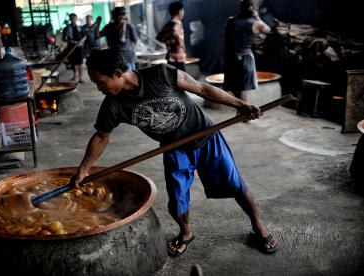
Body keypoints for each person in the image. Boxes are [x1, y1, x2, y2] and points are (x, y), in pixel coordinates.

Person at [71, 48, 279, 257]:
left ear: (117, 73)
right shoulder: (112, 105)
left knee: (235, 184)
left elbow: (202, 89)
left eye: (100, 82)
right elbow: (101, 137)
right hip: (174, 147)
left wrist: (241, 105)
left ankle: (258, 227)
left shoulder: (161, 74)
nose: (99, 88)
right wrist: (84, 169)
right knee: (177, 202)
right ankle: (186, 232)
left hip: (205, 135)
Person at [223, 0, 271, 115]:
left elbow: (226, 39)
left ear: (240, 9)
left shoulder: (230, 21)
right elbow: (267, 30)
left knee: (233, 85)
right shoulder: (255, 23)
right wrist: (258, 17)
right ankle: (243, 112)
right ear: (252, 9)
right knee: (243, 87)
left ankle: (241, 110)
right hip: (245, 58)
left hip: (231, 57)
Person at [156, 2, 187, 72]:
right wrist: (179, 44)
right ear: (179, 11)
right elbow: (174, 31)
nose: (183, 13)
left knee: (172, 79)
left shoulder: (167, 25)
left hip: (170, 57)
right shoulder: (178, 23)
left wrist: (169, 42)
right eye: (182, 10)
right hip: (178, 58)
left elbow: (159, 37)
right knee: (182, 79)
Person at [62, 13, 85, 83]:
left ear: (76, 19)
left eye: (75, 18)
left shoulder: (80, 28)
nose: (73, 20)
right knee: (73, 63)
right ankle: (75, 76)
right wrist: (71, 41)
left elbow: (85, 36)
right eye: (72, 18)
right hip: (71, 47)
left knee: (80, 63)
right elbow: (63, 39)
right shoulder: (66, 28)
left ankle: (80, 78)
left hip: (79, 47)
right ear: (70, 19)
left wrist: (81, 41)